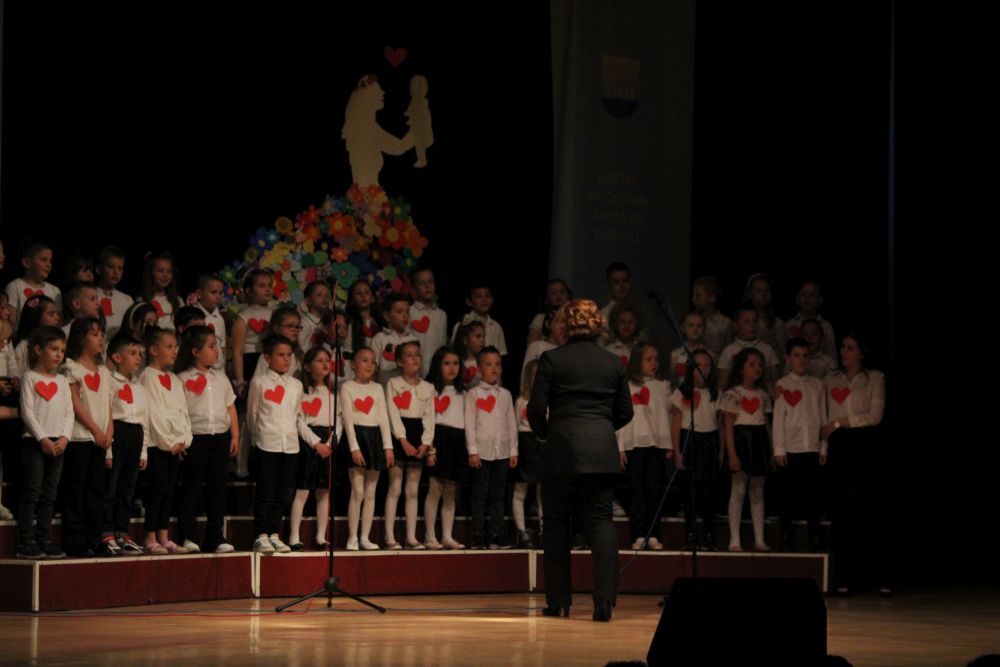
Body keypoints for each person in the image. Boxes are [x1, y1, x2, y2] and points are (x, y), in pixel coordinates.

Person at [527, 299, 633, 622]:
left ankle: (559, 601)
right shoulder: (613, 362)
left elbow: (535, 409)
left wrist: (546, 435)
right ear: (598, 325)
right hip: (601, 453)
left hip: (561, 450)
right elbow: (625, 411)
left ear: (565, 325)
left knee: (557, 524)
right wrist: (601, 430)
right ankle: (604, 601)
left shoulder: (552, 359)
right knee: (600, 522)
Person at [822, 332, 886, 595]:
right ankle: (844, 577)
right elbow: (824, 413)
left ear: (862, 352)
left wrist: (840, 423)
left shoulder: (874, 377)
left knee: (868, 509)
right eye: (843, 347)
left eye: (851, 347)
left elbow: (874, 415)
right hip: (839, 447)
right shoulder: (830, 379)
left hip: (864, 445)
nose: (844, 352)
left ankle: (875, 576)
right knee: (841, 510)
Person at [175, 326, 239, 553]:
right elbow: (179, 411)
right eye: (211, 346)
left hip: (219, 438)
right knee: (191, 487)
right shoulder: (182, 378)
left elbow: (230, 407)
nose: (216, 351)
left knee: (217, 489)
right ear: (195, 351)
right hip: (195, 438)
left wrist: (235, 435)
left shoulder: (220, 378)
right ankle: (188, 536)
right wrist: (181, 437)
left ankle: (215, 536)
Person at [16, 327, 73, 559]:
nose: (59, 354)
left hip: (58, 443)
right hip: (35, 442)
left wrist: (65, 438)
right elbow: (27, 412)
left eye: (62, 350)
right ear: (38, 350)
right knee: (32, 491)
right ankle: (26, 542)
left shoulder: (62, 381)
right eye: (54, 349)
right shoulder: (30, 378)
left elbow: (69, 412)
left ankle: (43, 538)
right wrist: (42, 438)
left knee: (49, 494)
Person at [246, 334, 303, 554]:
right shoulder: (259, 382)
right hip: (267, 443)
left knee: (283, 493)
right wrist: (256, 438)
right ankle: (261, 534)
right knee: (266, 491)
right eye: (281, 355)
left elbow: (297, 414)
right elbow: (253, 414)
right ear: (268, 358)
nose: (286, 359)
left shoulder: (296, 385)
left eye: (289, 355)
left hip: (290, 445)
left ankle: (274, 533)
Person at [140, 327, 192, 554]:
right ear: (153, 350)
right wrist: (169, 442)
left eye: (175, 347)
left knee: (169, 491)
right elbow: (154, 414)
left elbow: (182, 411)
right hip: (158, 445)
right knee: (158, 490)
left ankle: (164, 535)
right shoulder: (148, 377)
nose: (174, 351)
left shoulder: (174, 379)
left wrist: (184, 439)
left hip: (175, 446)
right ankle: (150, 536)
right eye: (169, 347)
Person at [772, 337, 826, 551]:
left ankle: (815, 535)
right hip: (791, 448)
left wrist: (823, 446)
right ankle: (786, 536)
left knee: (812, 495)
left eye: (805, 355)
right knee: (787, 494)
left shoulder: (817, 385)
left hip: (811, 447)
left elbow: (823, 417)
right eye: (797, 355)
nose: (802, 360)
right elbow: (778, 420)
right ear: (788, 359)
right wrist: (779, 449)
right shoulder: (782, 385)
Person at [617, 342, 671, 551]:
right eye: (649, 359)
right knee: (636, 491)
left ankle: (653, 534)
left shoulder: (663, 385)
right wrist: (620, 446)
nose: (654, 363)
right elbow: (621, 418)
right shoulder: (627, 386)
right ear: (637, 361)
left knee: (654, 491)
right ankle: (639, 533)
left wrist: (668, 444)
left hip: (655, 445)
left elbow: (666, 416)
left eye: (656, 359)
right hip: (634, 445)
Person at [339, 347, 394, 550]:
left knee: (371, 491)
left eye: (373, 361)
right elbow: (347, 420)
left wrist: (388, 447)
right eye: (364, 360)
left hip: (374, 438)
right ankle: (352, 537)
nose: (369, 365)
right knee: (358, 491)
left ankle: (365, 537)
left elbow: (384, 419)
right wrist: (354, 448)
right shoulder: (347, 387)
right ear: (353, 364)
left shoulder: (378, 388)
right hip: (357, 437)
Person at [288, 347, 341, 551]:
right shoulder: (302, 393)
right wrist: (316, 443)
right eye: (320, 360)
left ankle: (321, 536)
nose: (325, 363)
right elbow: (299, 421)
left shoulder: (333, 394)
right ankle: (294, 536)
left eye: (327, 360)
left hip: (328, 443)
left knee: (324, 492)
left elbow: (340, 421)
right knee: (303, 491)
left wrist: (329, 443)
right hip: (309, 444)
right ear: (309, 367)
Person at [465, 345, 517, 550]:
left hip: (501, 453)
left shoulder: (505, 395)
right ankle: (478, 534)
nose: (494, 368)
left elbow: (511, 423)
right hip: (482, 452)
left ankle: (497, 535)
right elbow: (470, 423)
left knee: (498, 495)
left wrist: (513, 450)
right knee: (480, 494)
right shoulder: (473, 393)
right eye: (488, 364)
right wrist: (472, 450)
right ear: (479, 369)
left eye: (497, 364)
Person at [384, 340, 435, 549]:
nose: (415, 358)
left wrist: (426, 443)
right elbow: (392, 413)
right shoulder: (393, 384)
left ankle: (411, 537)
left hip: (418, 434)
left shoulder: (428, 387)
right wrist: (402, 439)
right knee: (395, 487)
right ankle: (389, 536)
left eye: (417, 354)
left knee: (412, 489)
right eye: (409, 355)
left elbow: (430, 417)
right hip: (400, 435)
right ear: (399, 361)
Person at [721, 347, 772, 552]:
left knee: (758, 491)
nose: (757, 368)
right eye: (752, 364)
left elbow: (766, 424)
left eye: (760, 365)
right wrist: (732, 454)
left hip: (759, 441)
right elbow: (728, 426)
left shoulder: (762, 394)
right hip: (741, 441)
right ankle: (734, 539)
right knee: (739, 490)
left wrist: (771, 449)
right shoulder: (733, 394)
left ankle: (759, 539)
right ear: (741, 368)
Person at [670, 348, 722, 551]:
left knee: (708, 490)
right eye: (699, 365)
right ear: (691, 368)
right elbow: (676, 423)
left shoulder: (715, 393)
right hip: (689, 440)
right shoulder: (681, 393)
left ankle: (708, 535)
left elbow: (720, 425)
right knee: (690, 491)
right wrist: (677, 451)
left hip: (709, 441)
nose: (703, 369)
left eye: (707, 365)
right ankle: (691, 535)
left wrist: (721, 451)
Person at [423, 346, 466, 550]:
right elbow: (428, 421)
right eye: (447, 363)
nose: (451, 368)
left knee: (450, 490)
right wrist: (431, 449)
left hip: (457, 440)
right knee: (435, 489)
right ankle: (430, 535)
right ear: (438, 365)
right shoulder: (430, 390)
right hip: (439, 438)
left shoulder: (463, 393)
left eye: (455, 363)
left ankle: (447, 535)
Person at [407, 267, 448, 378]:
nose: (427, 286)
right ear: (414, 288)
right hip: (415, 373)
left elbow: (442, 344)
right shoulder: (409, 312)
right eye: (421, 283)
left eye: (430, 282)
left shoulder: (441, 315)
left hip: (437, 373)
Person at [94, 246, 133, 340]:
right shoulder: (92, 296)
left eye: (120, 268)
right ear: (99, 269)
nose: (116, 272)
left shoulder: (127, 300)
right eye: (110, 267)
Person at [139, 252, 182, 330]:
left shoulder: (177, 301)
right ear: (150, 272)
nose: (165, 275)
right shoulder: (142, 300)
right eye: (161, 271)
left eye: (169, 271)